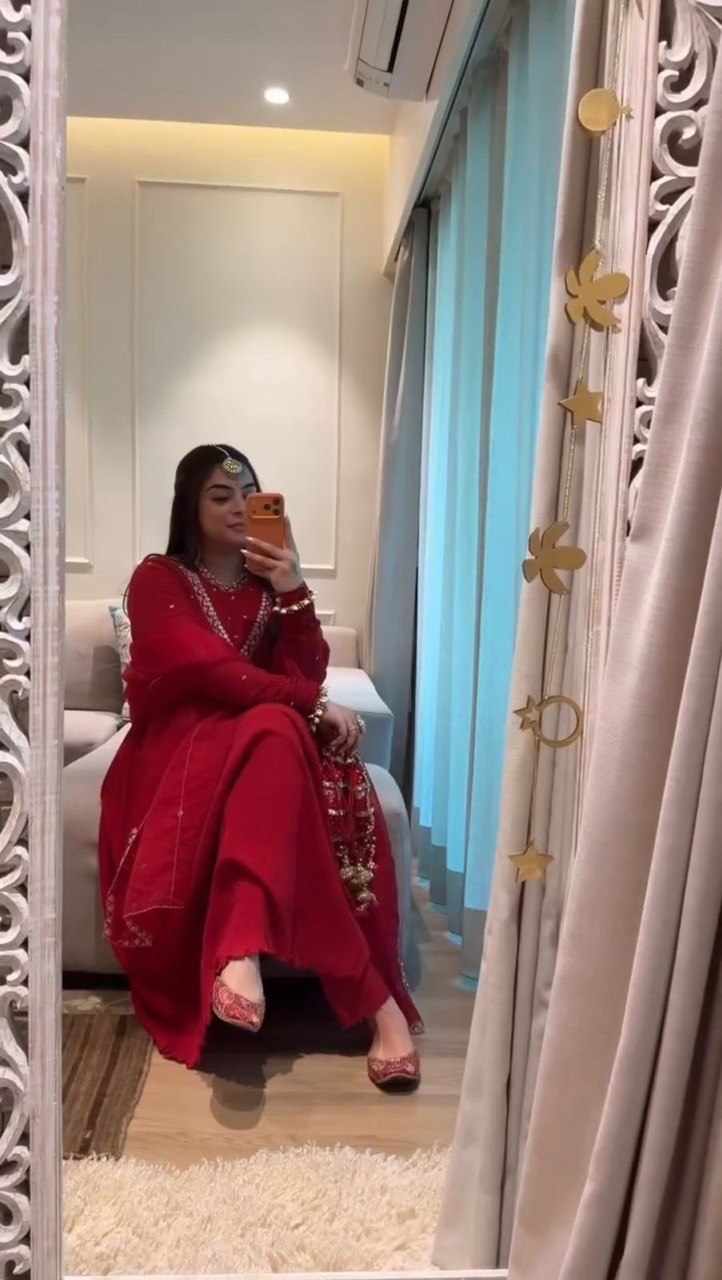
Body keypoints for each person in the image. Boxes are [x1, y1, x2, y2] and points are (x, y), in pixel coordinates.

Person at [99, 443, 422, 1091]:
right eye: (220, 495)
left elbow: (306, 671)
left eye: (250, 494)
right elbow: (207, 671)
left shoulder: (267, 589)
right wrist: (312, 705)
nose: (240, 507)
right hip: (179, 745)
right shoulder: (158, 578)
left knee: (275, 728)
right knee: (278, 724)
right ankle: (378, 1005)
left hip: (258, 736)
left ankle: (239, 947)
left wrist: (293, 588)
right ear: (189, 508)